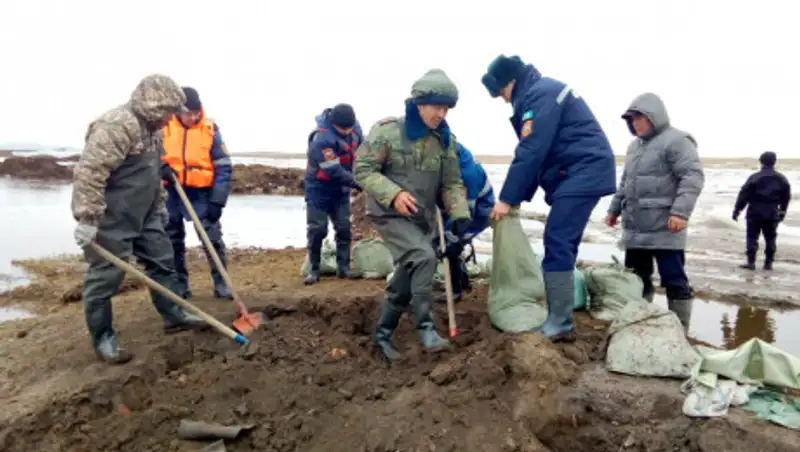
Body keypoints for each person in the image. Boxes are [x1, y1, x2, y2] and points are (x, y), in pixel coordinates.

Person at [71, 74, 208, 365]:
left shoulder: (152, 130)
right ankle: (103, 337)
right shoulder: (117, 126)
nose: (172, 119)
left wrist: (158, 204)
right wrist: (87, 218)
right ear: (155, 105)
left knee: (163, 260)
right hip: (112, 217)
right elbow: (90, 173)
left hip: (145, 214)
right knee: (105, 277)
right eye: (169, 111)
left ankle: (173, 314)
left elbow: (151, 174)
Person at [481, 55, 617, 342]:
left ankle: (560, 323)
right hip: (578, 170)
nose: (505, 101)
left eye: (503, 93)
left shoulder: (539, 95)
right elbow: (539, 153)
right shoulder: (541, 91)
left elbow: (532, 150)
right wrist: (515, 200)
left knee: (558, 240)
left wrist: (507, 199)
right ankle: (560, 318)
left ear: (511, 82)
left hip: (583, 170)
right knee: (560, 240)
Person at [355, 69, 471, 361]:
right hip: (388, 214)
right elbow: (363, 170)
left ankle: (382, 336)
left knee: (406, 277)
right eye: (437, 107)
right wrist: (393, 194)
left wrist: (459, 215)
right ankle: (426, 328)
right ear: (420, 104)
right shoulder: (388, 132)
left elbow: (451, 183)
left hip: (422, 220)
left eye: (446, 109)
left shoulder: (446, 141)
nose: (442, 114)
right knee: (424, 257)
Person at [605, 92, 705, 333]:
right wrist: (614, 209)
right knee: (637, 279)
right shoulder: (634, 147)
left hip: (665, 228)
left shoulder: (677, 141)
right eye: (631, 119)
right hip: (636, 229)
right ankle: (640, 326)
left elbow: (692, 177)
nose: (635, 123)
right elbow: (626, 183)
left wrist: (681, 213)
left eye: (639, 118)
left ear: (653, 117)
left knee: (674, 279)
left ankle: (680, 331)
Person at [160, 87, 234, 299]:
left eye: (195, 112)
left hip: (201, 193)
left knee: (212, 237)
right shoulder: (163, 127)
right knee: (172, 239)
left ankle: (222, 283)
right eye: (187, 113)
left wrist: (217, 201)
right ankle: (180, 286)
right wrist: (160, 167)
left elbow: (224, 166)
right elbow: (147, 157)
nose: (193, 117)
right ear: (177, 111)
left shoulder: (210, 129)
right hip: (171, 191)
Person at [303, 104, 364, 285]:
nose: (346, 132)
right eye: (342, 129)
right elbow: (334, 170)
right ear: (334, 124)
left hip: (341, 190)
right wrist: (358, 183)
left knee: (344, 228)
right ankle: (314, 269)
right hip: (318, 189)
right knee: (317, 229)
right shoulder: (321, 139)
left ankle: (343, 268)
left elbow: (364, 150)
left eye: (349, 128)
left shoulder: (355, 130)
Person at [434, 142, 495, 303]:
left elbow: (464, 214)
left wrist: (452, 235)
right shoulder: (443, 156)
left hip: (478, 211)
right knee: (443, 241)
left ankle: (455, 290)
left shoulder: (467, 175)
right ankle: (462, 281)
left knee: (452, 242)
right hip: (454, 205)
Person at [732, 151, 791, 270]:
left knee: (752, 237)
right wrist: (783, 211)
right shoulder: (781, 178)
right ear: (774, 162)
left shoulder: (754, 177)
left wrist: (737, 209)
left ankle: (751, 262)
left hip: (755, 210)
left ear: (761, 161)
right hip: (772, 211)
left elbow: (744, 194)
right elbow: (786, 197)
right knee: (771, 238)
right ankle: (768, 263)